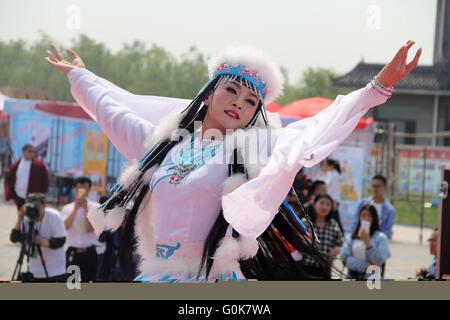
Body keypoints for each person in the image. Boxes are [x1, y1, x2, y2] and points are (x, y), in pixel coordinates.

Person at [46, 41, 421, 282]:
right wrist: (81, 77)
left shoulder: (253, 151)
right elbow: (114, 112)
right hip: (156, 276)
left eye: (250, 101)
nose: (238, 104)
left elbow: (314, 130)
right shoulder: (166, 144)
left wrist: (376, 89)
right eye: (231, 90)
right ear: (208, 94)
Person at [9, 193, 66, 282]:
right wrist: (20, 217)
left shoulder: (54, 216)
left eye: (37, 206)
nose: (33, 210)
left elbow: (61, 241)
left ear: (44, 206)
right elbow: (14, 238)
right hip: (34, 271)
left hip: (55, 271)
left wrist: (42, 242)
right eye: (31, 207)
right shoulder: (26, 218)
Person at [60, 176, 100, 282]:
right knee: (72, 285)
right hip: (73, 252)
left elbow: (90, 229)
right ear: (74, 189)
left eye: (85, 188)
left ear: (89, 189)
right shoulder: (67, 208)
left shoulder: (95, 207)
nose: (82, 191)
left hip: (90, 252)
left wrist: (86, 210)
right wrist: (75, 209)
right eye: (79, 188)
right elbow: (64, 227)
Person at [341, 204, 390, 279]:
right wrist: (364, 265)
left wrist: (368, 244)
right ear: (359, 218)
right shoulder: (351, 237)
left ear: (374, 218)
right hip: (352, 277)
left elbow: (379, 260)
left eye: (370, 216)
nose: (366, 218)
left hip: (372, 280)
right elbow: (344, 258)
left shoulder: (381, 237)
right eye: (363, 215)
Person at [301, 194, 344, 278]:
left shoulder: (333, 225)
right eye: (322, 203)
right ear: (314, 204)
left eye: (328, 204)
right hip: (305, 269)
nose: (324, 206)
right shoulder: (305, 223)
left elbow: (341, 244)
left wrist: (337, 249)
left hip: (325, 270)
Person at [4, 144, 50, 210]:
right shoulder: (17, 164)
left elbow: (45, 180)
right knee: (21, 215)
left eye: (33, 151)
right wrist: (11, 193)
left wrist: (44, 193)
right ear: (24, 152)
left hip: (33, 197)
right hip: (19, 195)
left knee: (32, 216)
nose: (32, 153)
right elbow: (9, 178)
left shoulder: (39, 164)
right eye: (30, 151)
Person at [352, 175, 395, 239]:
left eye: (378, 186)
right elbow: (355, 223)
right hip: (360, 238)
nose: (375, 189)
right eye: (373, 186)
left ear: (385, 188)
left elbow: (388, 231)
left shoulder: (389, 209)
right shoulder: (363, 204)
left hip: (378, 242)